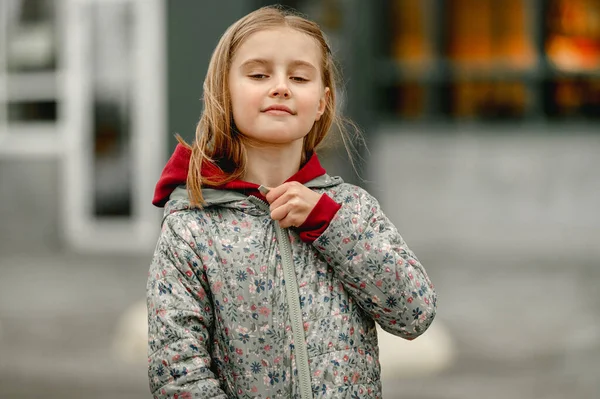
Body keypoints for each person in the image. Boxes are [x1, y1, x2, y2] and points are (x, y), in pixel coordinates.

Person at [147, 6, 436, 399]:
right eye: (259, 74)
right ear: (223, 92)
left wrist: (328, 223)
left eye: (299, 77)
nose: (281, 86)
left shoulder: (352, 210)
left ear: (321, 101)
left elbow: (413, 314)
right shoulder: (191, 226)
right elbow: (177, 371)